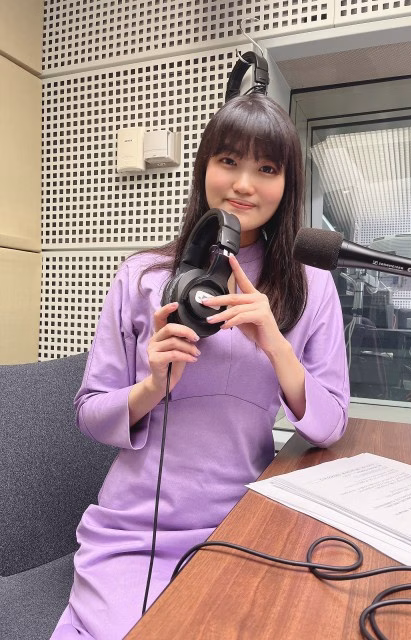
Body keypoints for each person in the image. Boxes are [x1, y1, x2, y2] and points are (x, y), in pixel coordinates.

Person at [51, 94, 349, 639]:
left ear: (288, 184)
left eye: (267, 169)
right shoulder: (143, 276)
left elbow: (330, 425)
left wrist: (275, 344)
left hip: (248, 528)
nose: (244, 184)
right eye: (228, 161)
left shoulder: (312, 286)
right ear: (204, 167)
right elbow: (91, 414)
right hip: (135, 530)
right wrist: (151, 386)